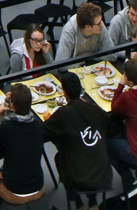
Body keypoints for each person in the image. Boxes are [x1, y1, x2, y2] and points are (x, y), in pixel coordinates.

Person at [43, 70, 113, 200]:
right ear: (80, 89)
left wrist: (48, 120)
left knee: (60, 153)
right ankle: (92, 201)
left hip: (78, 178)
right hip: (102, 175)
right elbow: (107, 120)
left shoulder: (64, 113)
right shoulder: (94, 108)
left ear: (64, 92)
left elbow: (45, 132)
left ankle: (77, 202)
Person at [0, 84, 49, 208]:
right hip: (38, 186)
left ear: (12, 105)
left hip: (15, 191)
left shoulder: (7, 127)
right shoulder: (39, 126)